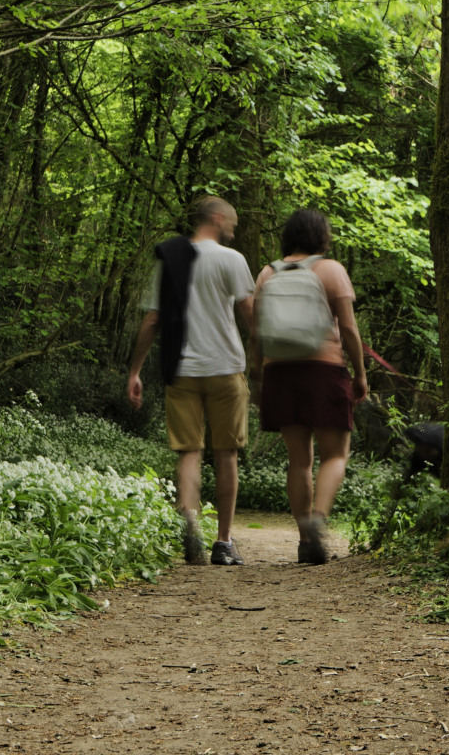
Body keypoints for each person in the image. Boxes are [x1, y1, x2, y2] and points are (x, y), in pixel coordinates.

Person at [127, 196, 254, 566]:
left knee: (189, 452)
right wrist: (265, 357)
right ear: (216, 219)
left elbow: (152, 320)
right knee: (226, 453)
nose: (234, 229)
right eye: (231, 222)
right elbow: (250, 316)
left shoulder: (169, 259)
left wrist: (135, 370)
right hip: (226, 368)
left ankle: (190, 524)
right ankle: (224, 542)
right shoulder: (233, 260)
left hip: (181, 369)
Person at [252, 209, 368, 564]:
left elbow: (257, 333)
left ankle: (305, 541)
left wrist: (261, 374)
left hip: (280, 373)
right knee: (335, 454)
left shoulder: (267, 273)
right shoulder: (330, 270)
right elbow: (348, 329)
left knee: (298, 460)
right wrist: (360, 374)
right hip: (323, 369)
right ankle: (319, 518)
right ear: (321, 236)